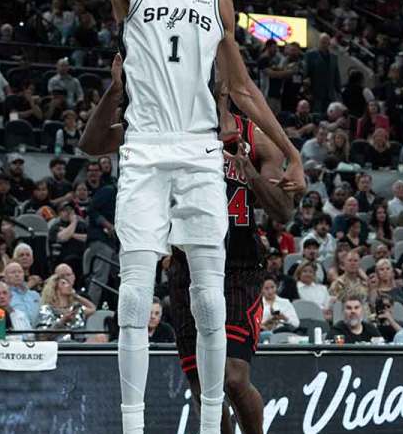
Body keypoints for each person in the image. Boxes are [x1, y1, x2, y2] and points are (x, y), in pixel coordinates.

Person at [0, 0, 303, 434]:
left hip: (201, 150)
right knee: (133, 295)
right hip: (145, 149)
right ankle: (131, 426)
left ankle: (209, 428)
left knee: (209, 297)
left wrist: (290, 152)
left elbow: (241, 88)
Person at [81, 72, 298, 434]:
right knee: (202, 386)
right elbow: (91, 143)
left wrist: (250, 173)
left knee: (232, 377)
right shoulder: (162, 128)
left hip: (240, 264)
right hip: (186, 263)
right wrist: (115, 91)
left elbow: (284, 211)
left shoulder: (253, 138)